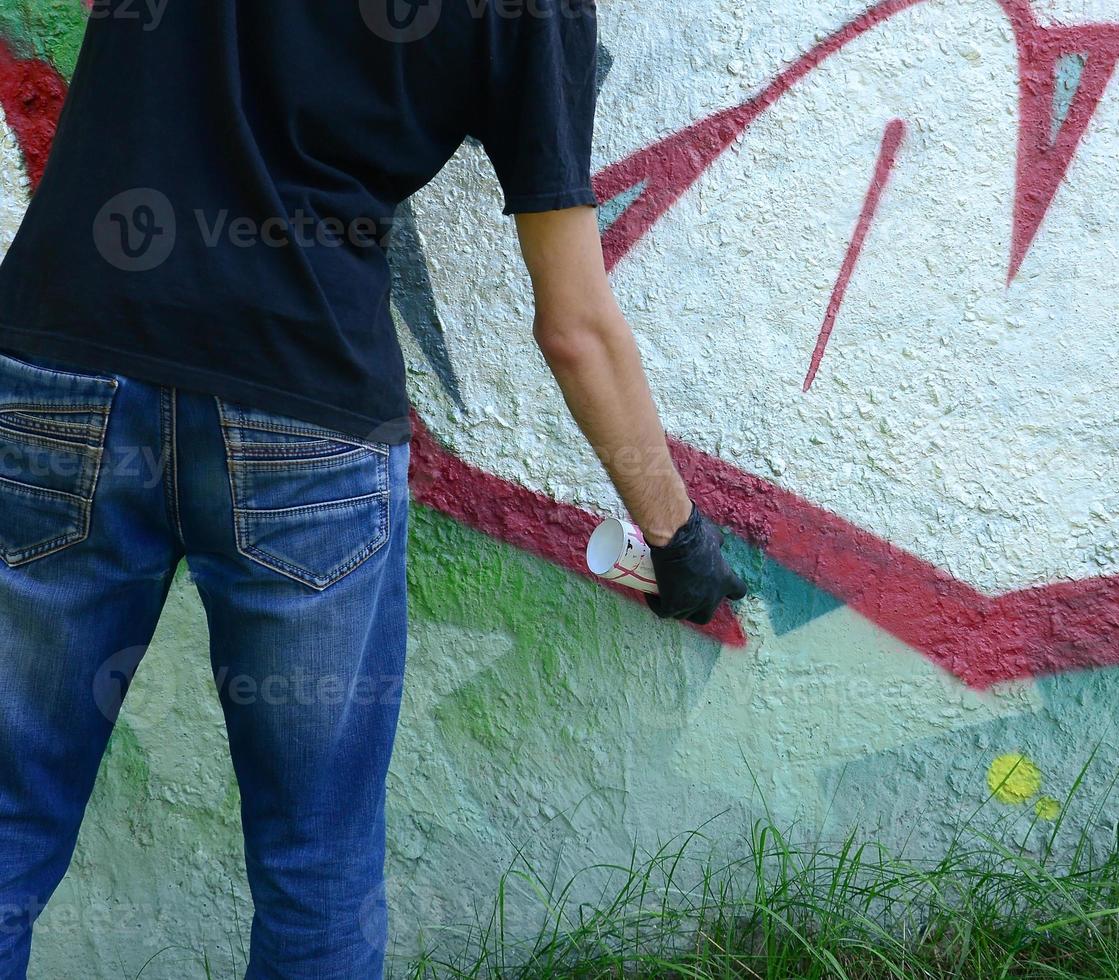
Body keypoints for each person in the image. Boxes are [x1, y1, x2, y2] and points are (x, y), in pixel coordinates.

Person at [0, 1, 746, 975]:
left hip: (57, 374)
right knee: (316, 869)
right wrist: (674, 532)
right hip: (303, 424)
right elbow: (574, 324)